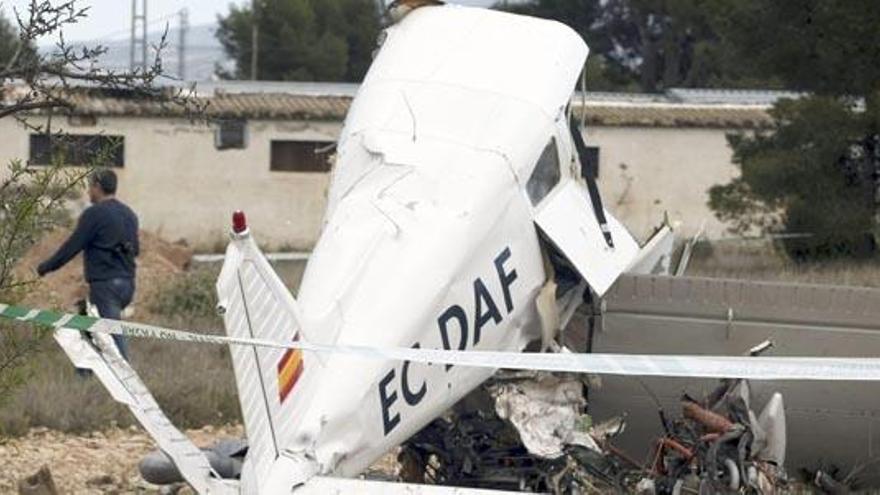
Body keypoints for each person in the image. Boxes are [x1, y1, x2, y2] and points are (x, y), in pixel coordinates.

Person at [37, 168, 139, 360]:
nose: (88, 192)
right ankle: (85, 372)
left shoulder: (94, 214)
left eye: (89, 187)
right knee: (86, 322)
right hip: (128, 283)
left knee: (112, 335)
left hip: (105, 285)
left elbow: (72, 247)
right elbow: (136, 249)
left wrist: (46, 267)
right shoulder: (129, 214)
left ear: (97, 187)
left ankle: (127, 380)